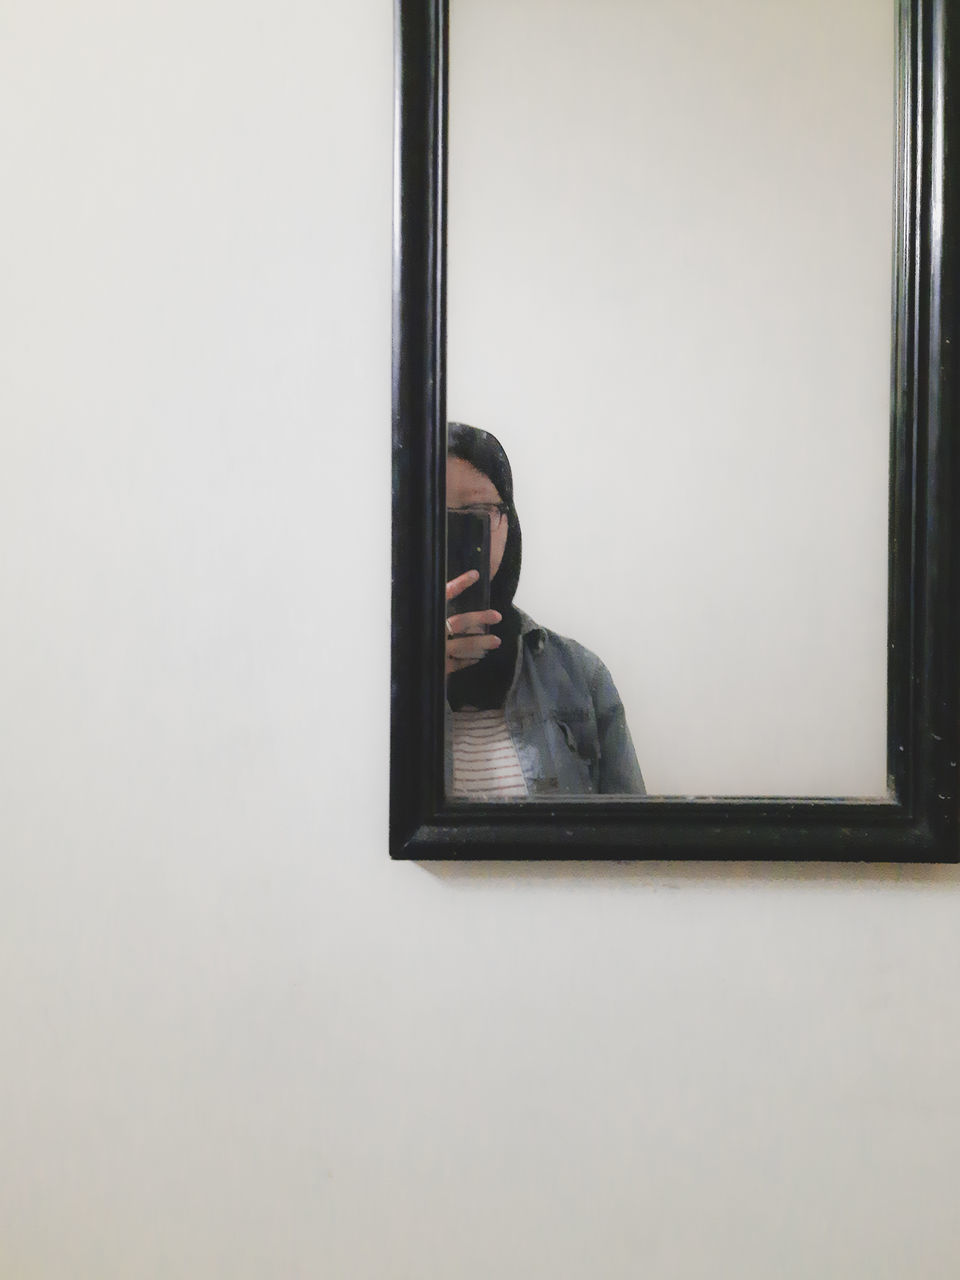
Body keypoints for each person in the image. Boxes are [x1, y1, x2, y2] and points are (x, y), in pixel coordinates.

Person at [445, 422, 645, 798]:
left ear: (509, 524)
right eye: (434, 515)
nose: (454, 534)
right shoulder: (370, 679)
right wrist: (415, 682)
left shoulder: (581, 677)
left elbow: (631, 845)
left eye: (476, 513)